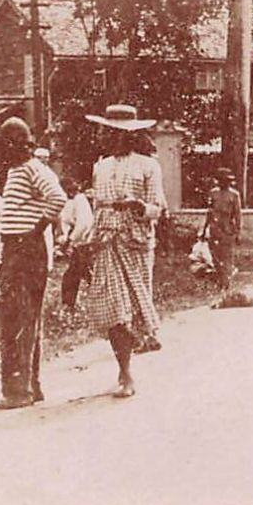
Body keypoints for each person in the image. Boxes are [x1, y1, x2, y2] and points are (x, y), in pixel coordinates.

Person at [86, 103, 165, 397]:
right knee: (114, 308)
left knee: (133, 306)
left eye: (115, 132)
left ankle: (139, 346)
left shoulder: (148, 166)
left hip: (135, 241)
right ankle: (125, 372)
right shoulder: (101, 166)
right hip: (107, 240)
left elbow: (158, 208)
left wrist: (137, 206)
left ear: (130, 135)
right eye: (107, 131)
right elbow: (96, 208)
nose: (108, 136)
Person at [0, 118, 67, 410]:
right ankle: (29, 385)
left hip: (25, 248)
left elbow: (58, 197)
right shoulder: (18, 170)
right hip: (18, 247)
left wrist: (37, 229)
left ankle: (17, 390)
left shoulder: (33, 168)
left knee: (16, 317)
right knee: (24, 318)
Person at [57, 175, 95, 308]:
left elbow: (84, 224)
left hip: (84, 241)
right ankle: (69, 304)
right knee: (81, 273)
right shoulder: (70, 202)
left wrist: (70, 240)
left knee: (75, 274)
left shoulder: (80, 200)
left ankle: (69, 304)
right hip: (78, 241)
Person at [204, 168, 242, 289]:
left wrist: (238, 232)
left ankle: (226, 283)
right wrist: (204, 229)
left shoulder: (234, 195)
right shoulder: (213, 193)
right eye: (222, 180)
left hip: (227, 229)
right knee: (215, 256)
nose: (225, 183)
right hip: (214, 228)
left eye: (227, 181)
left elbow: (237, 214)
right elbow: (209, 212)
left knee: (227, 256)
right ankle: (220, 280)